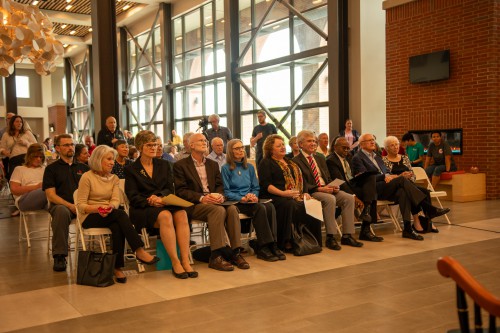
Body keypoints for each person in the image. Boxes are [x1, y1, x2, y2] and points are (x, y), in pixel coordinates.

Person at [77, 145, 159, 283]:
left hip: (110, 214)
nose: (112, 162)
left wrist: (110, 207)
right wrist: (99, 208)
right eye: (108, 159)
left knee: (117, 225)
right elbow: (80, 206)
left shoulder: (114, 178)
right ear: (98, 159)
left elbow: (115, 200)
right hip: (89, 216)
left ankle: (117, 267)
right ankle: (138, 250)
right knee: (120, 215)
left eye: (113, 159)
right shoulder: (87, 177)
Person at [125, 130, 197, 279]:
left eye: (156, 145)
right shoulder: (131, 169)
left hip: (164, 202)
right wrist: (150, 200)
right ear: (139, 147)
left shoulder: (164, 164)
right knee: (165, 216)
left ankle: (185, 260)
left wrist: (160, 198)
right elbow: (132, 196)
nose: (154, 148)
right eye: (149, 145)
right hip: (143, 207)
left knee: (182, 213)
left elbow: (170, 189)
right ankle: (175, 262)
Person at [352, 133, 449, 241]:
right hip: (373, 189)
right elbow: (363, 178)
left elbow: (387, 171)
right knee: (402, 180)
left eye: (373, 140)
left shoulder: (376, 156)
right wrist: (385, 176)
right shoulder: (357, 158)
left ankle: (407, 229)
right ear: (361, 144)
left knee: (403, 192)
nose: (373, 142)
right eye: (369, 140)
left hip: (386, 186)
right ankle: (428, 209)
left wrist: (390, 176)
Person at [173, 133, 248, 272]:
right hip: (194, 204)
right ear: (191, 145)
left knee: (231, 209)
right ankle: (216, 256)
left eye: (205, 140)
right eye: (200, 140)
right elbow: (181, 191)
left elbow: (220, 186)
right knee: (218, 210)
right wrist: (202, 198)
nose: (204, 142)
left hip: (214, 201)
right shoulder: (180, 165)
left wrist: (220, 196)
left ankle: (235, 252)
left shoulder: (212, 164)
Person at [293, 131, 363, 250]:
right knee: (329, 199)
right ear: (300, 144)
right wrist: (320, 188)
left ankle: (347, 235)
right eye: (309, 141)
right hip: (313, 191)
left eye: (314, 141)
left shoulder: (320, 158)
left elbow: (328, 177)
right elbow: (302, 183)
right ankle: (330, 237)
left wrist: (333, 186)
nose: (313, 143)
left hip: (327, 188)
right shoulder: (296, 161)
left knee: (349, 198)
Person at [222, 139, 285, 261]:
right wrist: (243, 198)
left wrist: (254, 196)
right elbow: (226, 191)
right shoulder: (226, 168)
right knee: (260, 208)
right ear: (230, 151)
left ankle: (273, 244)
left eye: (242, 148)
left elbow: (256, 187)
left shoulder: (250, 167)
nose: (241, 150)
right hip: (237, 201)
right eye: (237, 148)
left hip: (251, 199)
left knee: (270, 206)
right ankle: (263, 247)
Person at [258, 134, 322, 252]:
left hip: (293, 195)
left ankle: (313, 239)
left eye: (283, 144)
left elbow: (302, 180)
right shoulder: (266, 162)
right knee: (290, 204)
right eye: (278, 146)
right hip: (275, 196)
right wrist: (283, 193)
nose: (283, 147)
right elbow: (266, 185)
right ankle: (287, 240)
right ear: (270, 149)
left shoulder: (290, 161)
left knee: (313, 203)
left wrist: (305, 193)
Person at [42, 134, 90, 272]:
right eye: (66, 145)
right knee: (61, 212)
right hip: (63, 206)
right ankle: (60, 256)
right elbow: (50, 195)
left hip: (83, 206)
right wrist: (70, 206)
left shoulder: (84, 168)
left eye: (72, 144)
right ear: (57, 148)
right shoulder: (51, 169)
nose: (70, 147)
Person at [382, 136, 448, 233]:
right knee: (409, 192)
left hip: (409, 184)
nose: (395, 147)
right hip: (395, 188)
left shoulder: (404, 158)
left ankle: (428, 221)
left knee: (425, 191)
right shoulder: (383, 160)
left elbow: (413, 175)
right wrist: (401, 176)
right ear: (386, 148)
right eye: (392, 145)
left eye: (396, 144)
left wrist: (410, 177)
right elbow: (387, 178)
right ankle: (419, 220)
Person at [326, 136, 380, 241]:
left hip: (352, 184)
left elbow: (354, 175)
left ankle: (366, 213)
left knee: (371, 180)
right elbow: (341, 181)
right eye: (344, 148)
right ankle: (365, 229)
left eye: (348, 148)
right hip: (341, 187)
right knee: (370, 193)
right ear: (335, 147)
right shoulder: (331, 160)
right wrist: (354, 196)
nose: (347, 150)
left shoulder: (349, 157)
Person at [10, 143, 48, 213]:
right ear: (29, 156)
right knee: (46, 190)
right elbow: (14, 190)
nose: (39, 159)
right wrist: (36, 187)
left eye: (41, 157)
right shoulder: (19, 169)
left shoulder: (45, 169)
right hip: (24, 200)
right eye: (36, 156)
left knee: (58, 206)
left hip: (44, 198)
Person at [0, 115, 37, 179]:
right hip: (14, 161)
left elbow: (36, 146)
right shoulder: (6, 135)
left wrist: (27, 143)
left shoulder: (27, 133)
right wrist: (3, 151)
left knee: (27, 179)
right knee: (15, 180)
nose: (19, 123)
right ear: (12, 123)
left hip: (27, 159)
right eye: (17, 121)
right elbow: (1, 147)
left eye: (21, 122)